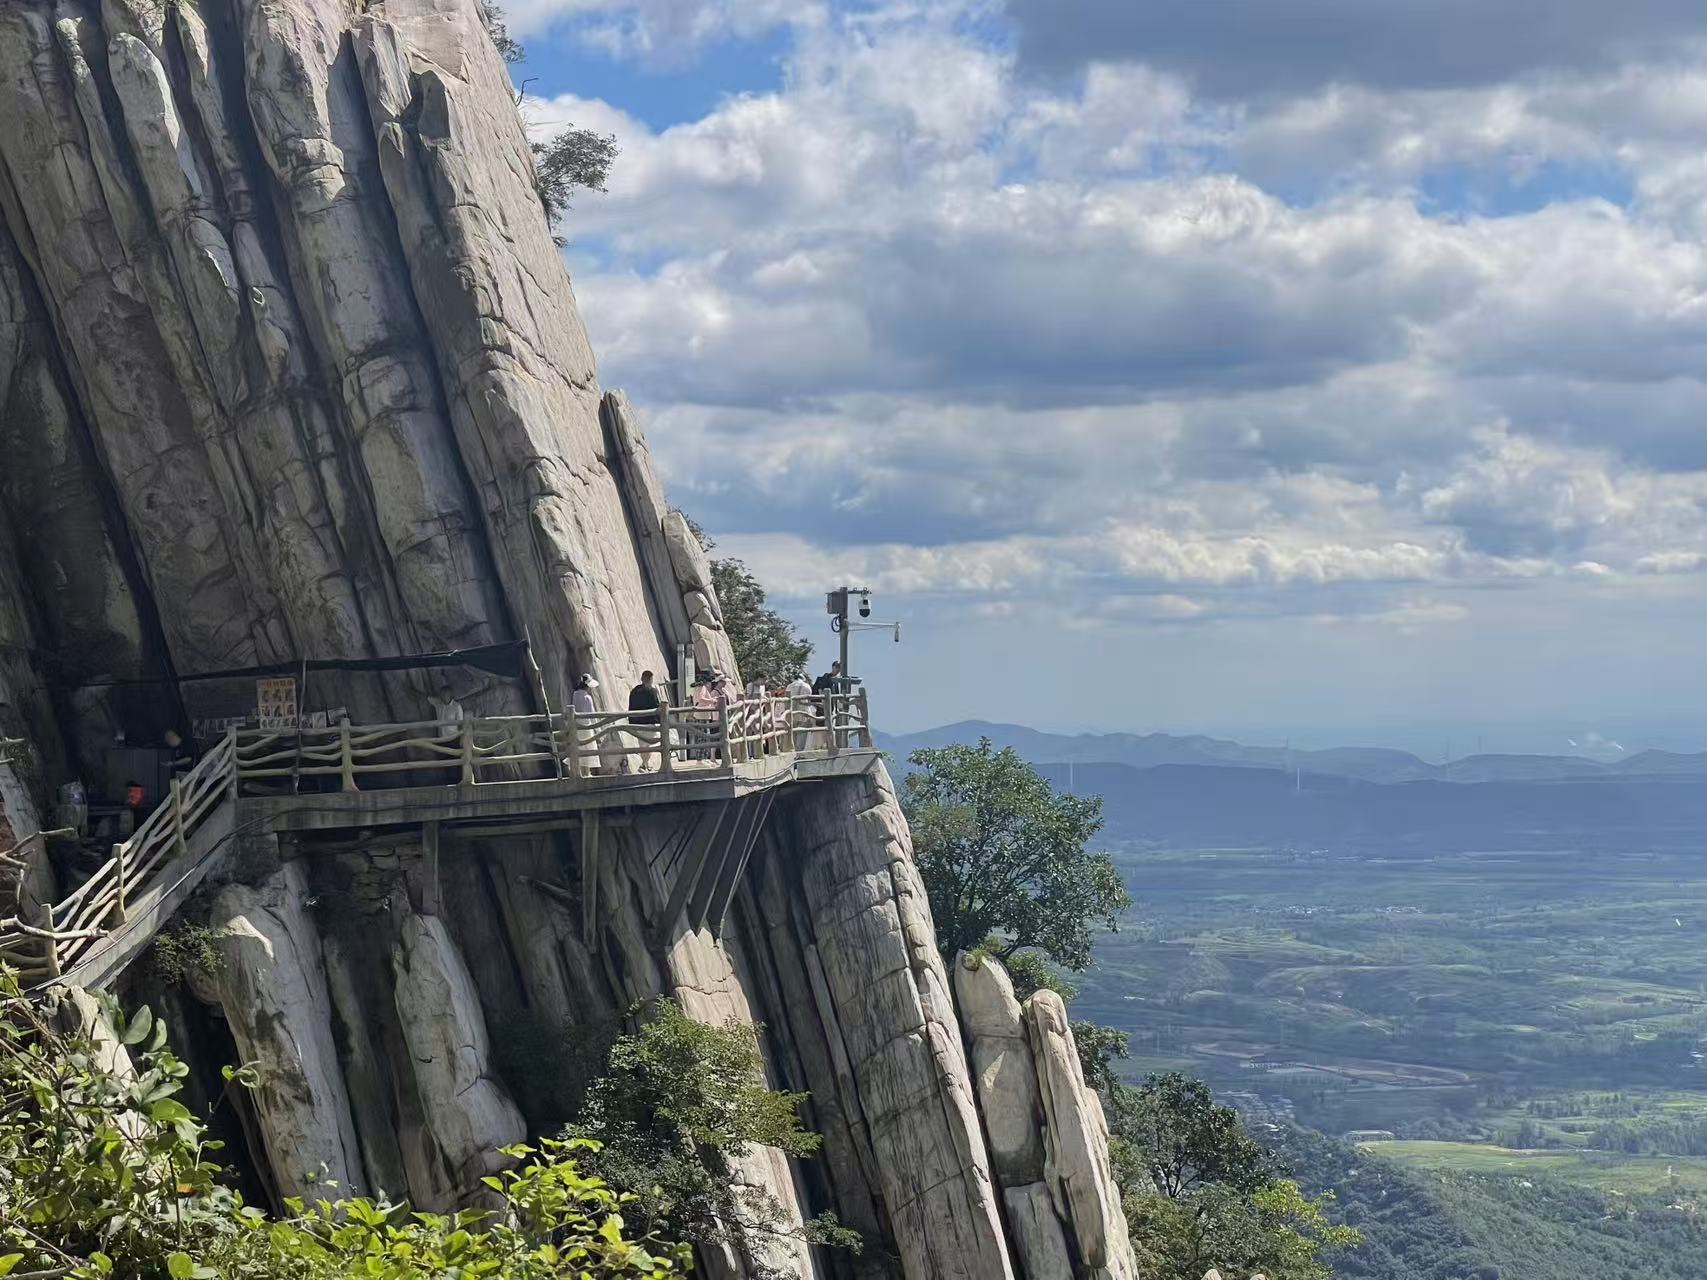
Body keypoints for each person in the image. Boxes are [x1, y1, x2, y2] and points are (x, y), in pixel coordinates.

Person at [628, 670, 663, 772]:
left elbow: (631, 707)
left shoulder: (634, 691)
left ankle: (645, 764)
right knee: (648, 744)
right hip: (649, 721)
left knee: (642, 744)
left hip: (637, 722)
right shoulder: (652, 691)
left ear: (642, 679)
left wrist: (631, 720)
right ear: (651, 679)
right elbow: (656, 706)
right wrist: (661, 720)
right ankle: (644, 764)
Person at [570, 674, 599, 775]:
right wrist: (596, 729)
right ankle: (586, 772)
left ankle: (582, 772)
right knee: (588, 748)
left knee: (579, 748)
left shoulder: (575, 694)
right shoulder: (587, 697)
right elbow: (592, 714)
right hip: (587, 726)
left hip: (577, 725)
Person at [786, 671, 814, 751]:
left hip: (792, 713)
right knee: (802, 736)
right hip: (804, 713)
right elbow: (808, 701)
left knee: (793, 735)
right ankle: (799, 753)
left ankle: (792, 753)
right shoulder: (806, 686)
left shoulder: (789, 686)